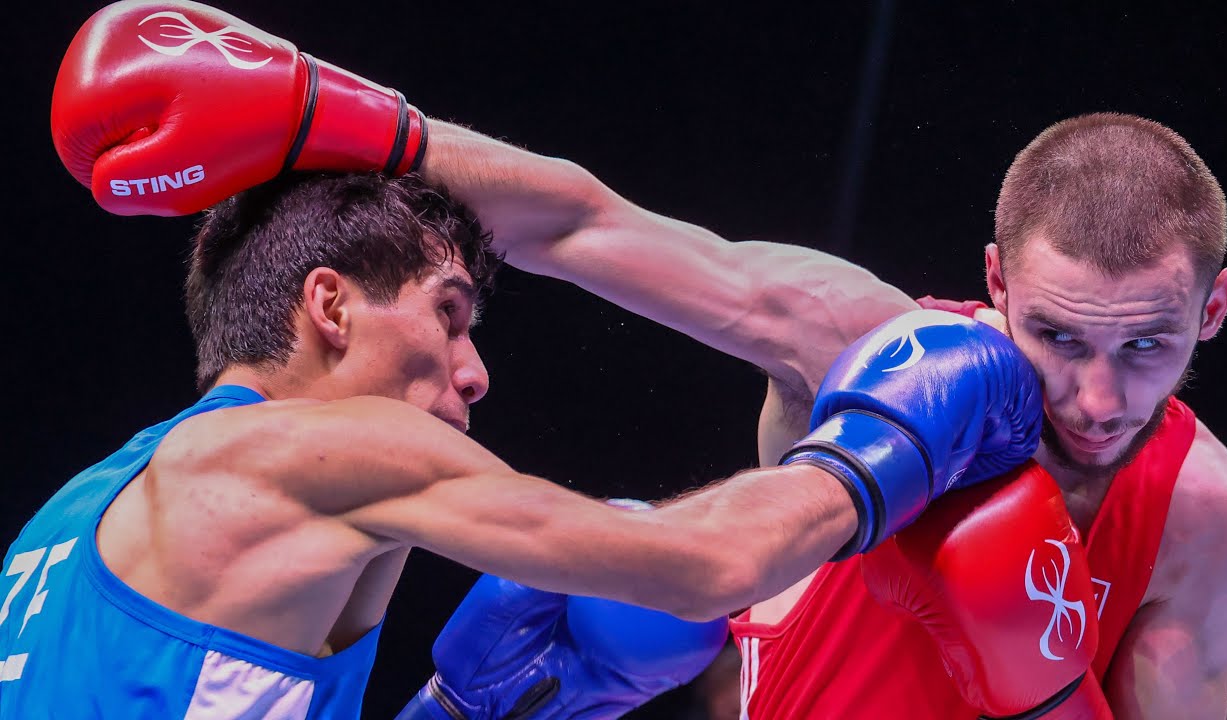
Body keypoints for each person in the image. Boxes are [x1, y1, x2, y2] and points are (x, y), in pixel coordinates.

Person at [3, 2, 1043, 717]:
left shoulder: (71, 520)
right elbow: (709, 570)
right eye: (448, 314)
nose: (473, 370)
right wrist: (886, 440)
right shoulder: (310, 454)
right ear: (329, 306)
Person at [417, 110, 1227, 717]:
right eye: (1056, 334)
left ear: (1214, 307)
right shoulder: (855, 340)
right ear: (998, 280)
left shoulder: (1211, 521)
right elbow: (574, 223)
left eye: (1143, 347)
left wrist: (1045, 696)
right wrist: (317, 105)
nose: (1095, 399)